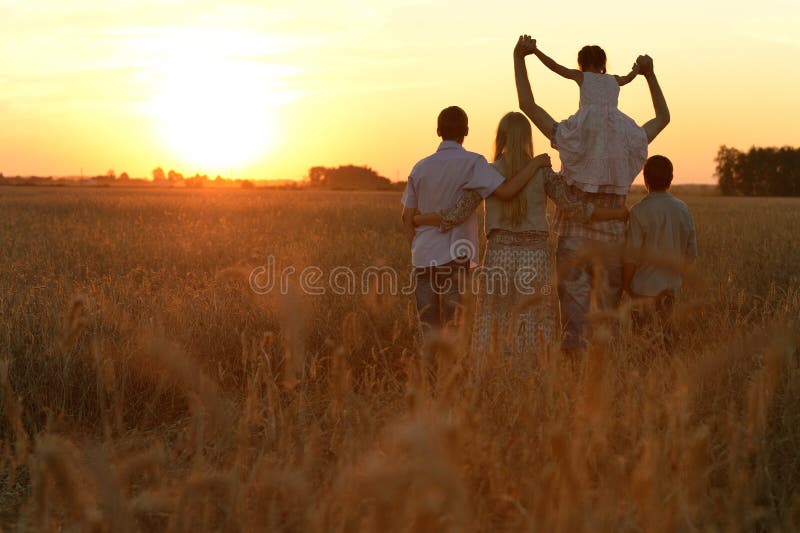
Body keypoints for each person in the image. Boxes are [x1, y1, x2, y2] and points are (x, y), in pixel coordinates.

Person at [412, 112, 628, 359]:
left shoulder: (487, 172)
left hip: (498, 256)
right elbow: (574, 208)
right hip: (535, 258)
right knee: (536, 319)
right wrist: (614, 212)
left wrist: (419, 218)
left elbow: (455, 214)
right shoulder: (544, 172)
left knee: (495, 319)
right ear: (527, 137)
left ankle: (495, 375)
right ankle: (532, 379)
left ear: (501, 137)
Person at [514, 35, 670, 352]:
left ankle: (574, 387)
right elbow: (663, 117)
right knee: (606, 327)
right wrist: (649, 74)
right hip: (612, 239)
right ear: (606, 72)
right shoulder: (631, 135)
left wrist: (520, 56)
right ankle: (604, 389)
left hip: (573, 239)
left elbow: (527, 105)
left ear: (581, 73)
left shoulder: (570, 132)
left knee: (574, 329)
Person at [401, 106, 552, 348]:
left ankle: (434, 382)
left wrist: (419, 232)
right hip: (464, 256)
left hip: (432, 257)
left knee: (430, 328)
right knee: (458, 325)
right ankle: (465, 380)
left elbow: (417, 216)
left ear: (438, 131)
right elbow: (506, 191)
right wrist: (535, 165)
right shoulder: (477, 164)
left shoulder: (420, 167)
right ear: (467, 131)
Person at [527, 41, 647, 195]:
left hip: (588, 125)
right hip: (612, 127)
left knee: (579, 150)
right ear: (603, 63)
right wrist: (636, 70)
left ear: (581, 63)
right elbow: (628, 78)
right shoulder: (614, 79)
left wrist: (536, 52)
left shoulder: (582, 76)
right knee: (607, 156)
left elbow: (555, 67)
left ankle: (585, 183)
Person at [623, 155, 697, 350]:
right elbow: (690, 255)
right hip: (669, 291)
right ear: (671, 179)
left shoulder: (639, 211)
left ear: (645, 179)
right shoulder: (683, 209)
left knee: (642, 345)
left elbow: (631, 257)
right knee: (667, 342)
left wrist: (626, 286)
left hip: (642, 291)